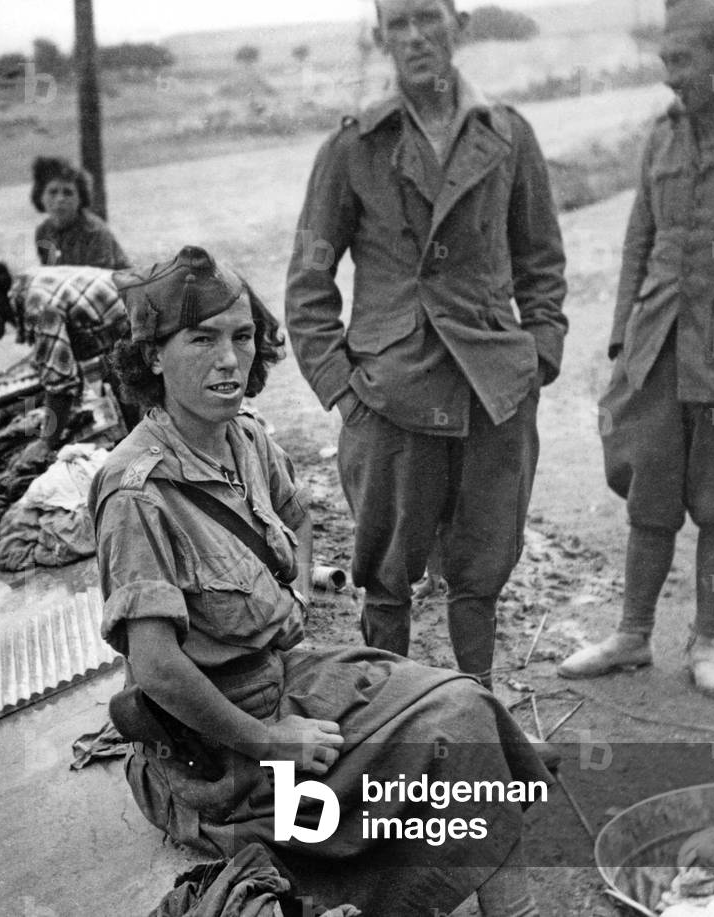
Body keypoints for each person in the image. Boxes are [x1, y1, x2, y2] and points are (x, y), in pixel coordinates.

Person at [91, 245, 551, 917]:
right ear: (153, 356)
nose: (228, 359)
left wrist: (297, 593)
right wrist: (269, 740)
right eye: (201, 339)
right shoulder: (135, 490)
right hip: (218, 752)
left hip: (289, 676)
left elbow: (296, 514)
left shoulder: (243, 438)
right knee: (448, 739)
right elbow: (156, 668)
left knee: (466, 706)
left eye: (242, 336)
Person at [284, 0, 568, 687]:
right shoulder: (353, 147)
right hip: (389, 396)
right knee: (385, 579)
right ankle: (391, 724)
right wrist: (345, 394)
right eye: (398, 24)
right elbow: (308, 283)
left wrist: (537, 357)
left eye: (427, 18)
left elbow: (540, 262)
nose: (414, 36)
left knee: (481, 571)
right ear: (380, 38)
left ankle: (479, 707)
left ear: (458, 27)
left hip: (492, 392)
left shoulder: (508, 134)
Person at [559, 0, 714, 699]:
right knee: (649, 495)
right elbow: (637, 241)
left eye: (682, 61)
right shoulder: (661, 136)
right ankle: (631, 634)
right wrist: (620, 340)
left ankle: (705, 641)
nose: (668, 78)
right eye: (663, 60)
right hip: (656, 347)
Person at [0, 261, 138, 452]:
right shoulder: (22, 288)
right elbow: (62, 368)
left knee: (142, 418)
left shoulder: (38, 308)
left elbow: (61, 387)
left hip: (148, 323)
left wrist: (45, 443)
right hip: (130, 324)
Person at [31, 156, 131, 270]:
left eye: (68, 193)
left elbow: (100, 279)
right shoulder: (43, 232)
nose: (60, 199)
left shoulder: (94, 231)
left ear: (81, 198)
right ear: (40, 196)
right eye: (52, 192)